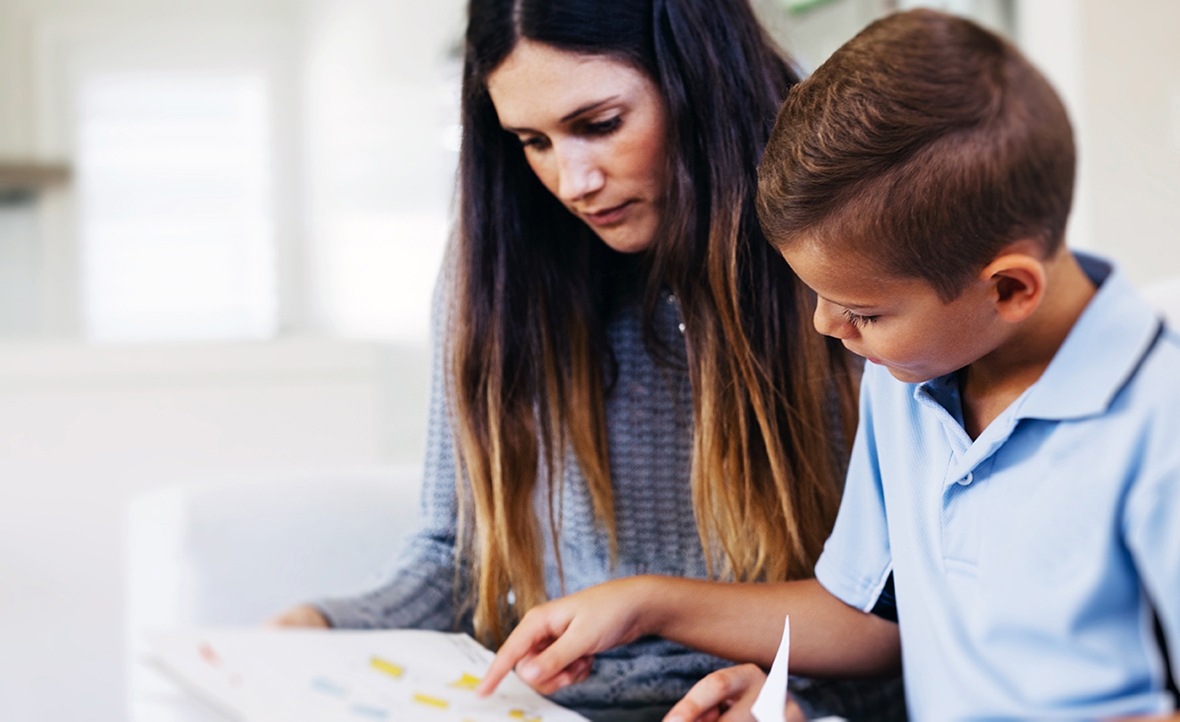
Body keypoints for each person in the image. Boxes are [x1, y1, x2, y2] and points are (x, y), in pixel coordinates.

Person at [476, 9, 1180, 721]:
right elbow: (868, 616)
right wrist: (646, 604)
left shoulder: (1172, 429)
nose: (826, 326)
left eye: (865, 312)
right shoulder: (909, 381)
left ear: (1009, 288)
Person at [272, 0, 902, 719]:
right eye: (531, 141)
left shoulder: (849, 262)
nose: (573, 183)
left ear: (698, 78)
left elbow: (900, 610)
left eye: (600, 125)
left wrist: (798, 705)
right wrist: (321, 626)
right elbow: (455, 552)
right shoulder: (496, 266)